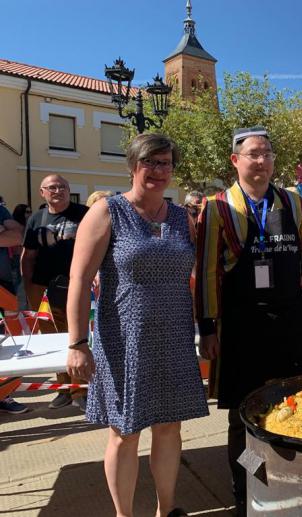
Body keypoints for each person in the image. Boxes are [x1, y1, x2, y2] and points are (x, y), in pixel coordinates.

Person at [65, 134, 208, 517]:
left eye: (166, 164)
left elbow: (196, 275)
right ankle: (124, 514)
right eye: (151, 162)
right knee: (125, 434)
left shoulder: (182, 217)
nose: (159, 171)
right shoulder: (108, 212)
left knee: (169, 428)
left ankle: (167, 508)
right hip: (123, 340)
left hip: (174, 337)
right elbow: (79, 279)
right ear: (133, 166)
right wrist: (77, 342)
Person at [195, 126, 302, 513]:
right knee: (242, 417)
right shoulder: (218, 207)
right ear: (236, 160)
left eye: (267, 153)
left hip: (287, 323)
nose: (262, 160)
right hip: (241, 327)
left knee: (295, 406)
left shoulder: (293, 203)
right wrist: (208, 327)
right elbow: (206, 272)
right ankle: (247, 486)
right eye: (254, 153)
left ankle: (290, 483)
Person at [21, 175, 89, 410]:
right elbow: (28, 257)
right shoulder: (36, 219)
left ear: (69, 190)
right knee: (51, 339)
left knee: (77, 336)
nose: (58, 190)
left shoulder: (85, 213)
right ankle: (63, 389)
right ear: (42, 192)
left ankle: (80, 389)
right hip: (44, 288)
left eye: (62, 187)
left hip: (77, 286)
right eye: (52, 187)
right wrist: (29, 290)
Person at [0, 198, 29, 415]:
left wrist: (6, 230)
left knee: (11, 343)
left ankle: (4, 395)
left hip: (4, 285)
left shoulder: (0, 210)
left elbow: (17, 236)